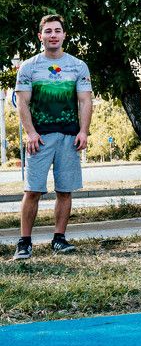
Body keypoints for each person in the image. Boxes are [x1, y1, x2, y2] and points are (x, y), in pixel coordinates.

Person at [11, 15, 93, 260]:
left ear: (64, 35)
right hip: (40, 138)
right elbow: (22, 103)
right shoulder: (29, 67)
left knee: (65, 190)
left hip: (69, 137)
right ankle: (24, 242)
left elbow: (85, 101)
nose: (53, 35)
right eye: (48, 31)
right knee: (32, 191)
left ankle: (59, 238)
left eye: (57, 30)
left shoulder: (78, 66)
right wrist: (30, 133)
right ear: (40, 36)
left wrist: (83, 131)